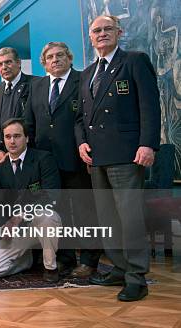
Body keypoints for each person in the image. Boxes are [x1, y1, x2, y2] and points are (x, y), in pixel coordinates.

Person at [75, 15, 161, 302]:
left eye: (107, 29)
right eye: (96, 30)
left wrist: (148, 144)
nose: (101, 34)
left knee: (130, 218)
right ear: (90, 37)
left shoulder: (134, 61)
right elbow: (80, 118)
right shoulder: (86, 73)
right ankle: (120, 268)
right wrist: (81, 143)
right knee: (108, 218)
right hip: (96, 157)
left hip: (127, 155)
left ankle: (137, 277)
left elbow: (149, 105)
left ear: (119, 32)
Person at [24, 42, 101, 278]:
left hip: (76, 159)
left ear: (69, 58)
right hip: (46, 163)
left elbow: (90, 119)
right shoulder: (37, 86)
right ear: (44, 62)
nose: (55, 60)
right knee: (56, 213)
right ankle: (66, 258)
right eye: (49, 57)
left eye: (59, 55)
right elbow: (30, 122)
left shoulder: (83, 80)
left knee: (84, 211)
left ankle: (89, 260)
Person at [0, 118, 62, 282]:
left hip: (39, 223)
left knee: (47, 217)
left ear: (26, 138)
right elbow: (0, 205)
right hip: (17, 230)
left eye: (17, 136)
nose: (12, 141)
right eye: (7, 137)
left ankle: (50, 268)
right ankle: (26, 259)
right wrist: (3, 227)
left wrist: (19, 217)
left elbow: (51, 196)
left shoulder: (43, 159)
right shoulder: (0, 169)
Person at [0, 47, 34, 164]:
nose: (4, 67)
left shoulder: (35, 84)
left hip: (28, 155)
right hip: (2, 158)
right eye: (0, 64)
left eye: (8, 62)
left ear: (18, 62)